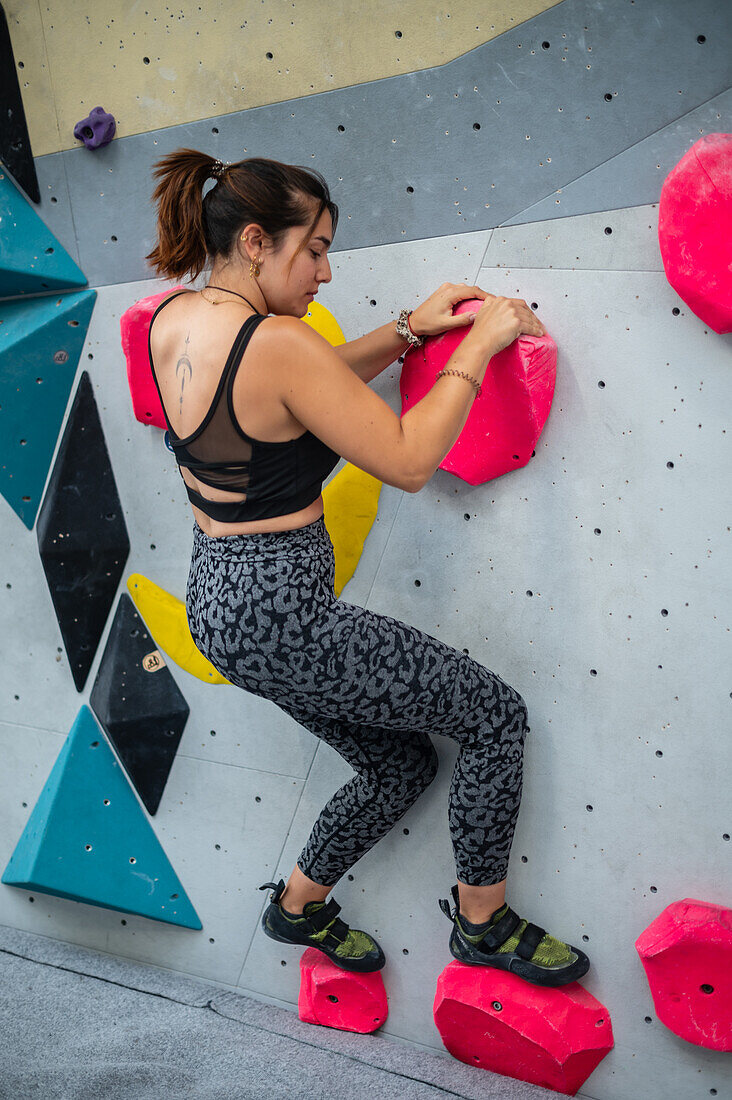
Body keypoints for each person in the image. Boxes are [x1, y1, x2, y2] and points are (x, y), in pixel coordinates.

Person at [145, 148, 590, 986]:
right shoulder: (277, 341)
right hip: (286, 616)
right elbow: (409, 458)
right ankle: (483, 921)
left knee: (402, 762)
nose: (324, 269)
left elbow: (302, 390)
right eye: (313, 248)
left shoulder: (180, 319)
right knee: (494, 717)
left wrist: (410, 332)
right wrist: (481, 342)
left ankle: (299, 906)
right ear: (254, 241)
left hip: (222, 608)